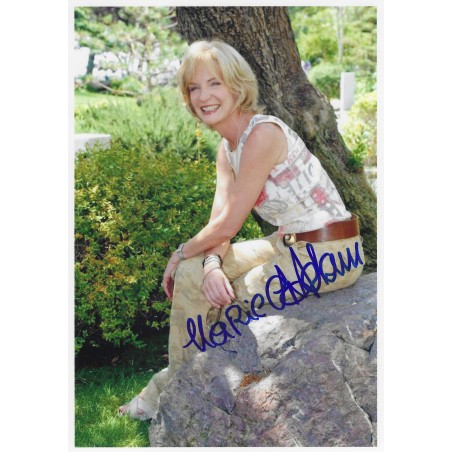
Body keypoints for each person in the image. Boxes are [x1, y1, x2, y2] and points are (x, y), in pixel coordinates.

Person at [118, 40, 364, 420]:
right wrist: (210, 265)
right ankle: (177, 389)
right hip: (287, 243)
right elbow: (220, 221)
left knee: (220, 295)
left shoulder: (263, 134)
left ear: (237, 86)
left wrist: (179, 252)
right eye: (194, 88)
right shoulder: (226, 148)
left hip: (329, 253)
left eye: (214, 83)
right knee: (192, 274)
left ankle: (170, 391)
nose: (204, 96)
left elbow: (230, 222)